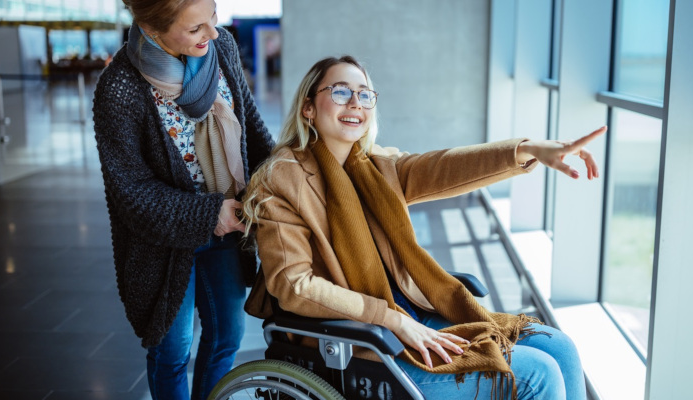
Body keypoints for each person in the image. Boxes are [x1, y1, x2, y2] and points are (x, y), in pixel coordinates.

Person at [242, 55, 603, 400]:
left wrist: (528, 150)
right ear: (308, 107)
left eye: (365, 94)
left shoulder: (376, 167)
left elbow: (445, 166)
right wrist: (390, 321)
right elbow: (293, 285)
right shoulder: (281, 179)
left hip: (411, 313)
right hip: (359, 341)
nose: (355, 103)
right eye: (340, 92)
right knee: (539, 373)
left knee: (561, 348)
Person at [92, 0, 275, 398]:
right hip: (161, 245)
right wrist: (211, 213)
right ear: (152, 29)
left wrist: (281, 179)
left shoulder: (220, 48)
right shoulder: (120, 87)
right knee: (171, 352)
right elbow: (132, 194)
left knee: (227, 335)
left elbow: (251, 128)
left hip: (228, 229)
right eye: (195, 29)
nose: (211, 33)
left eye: (213, 18)